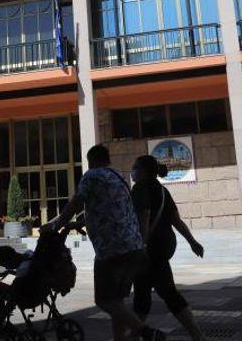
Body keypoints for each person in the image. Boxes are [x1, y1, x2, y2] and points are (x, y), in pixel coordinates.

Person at [44, 145, 167, 341]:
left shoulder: (92, 176)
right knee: (117, 301)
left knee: (103, 300)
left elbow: (75, 203)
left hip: (111, 250)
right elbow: (110, 210)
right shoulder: (118, 176)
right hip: (134, 248)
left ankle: (147, 332)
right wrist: (83, 222)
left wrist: (55, 225)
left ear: (91, 160)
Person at [131, 155, 206, 341]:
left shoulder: (140, 188)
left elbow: (144, 217)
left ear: (144, 171)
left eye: (135, 167)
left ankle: (135, 336)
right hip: (162, 251)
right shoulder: (163, 191)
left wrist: (142, 245)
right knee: (168, 294)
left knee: (142, 296)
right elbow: (176, 221)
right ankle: (197, 335)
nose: (132, 170)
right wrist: (192, 242)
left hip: (146, 251)